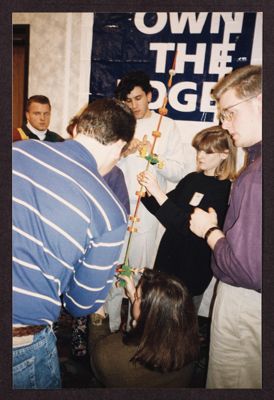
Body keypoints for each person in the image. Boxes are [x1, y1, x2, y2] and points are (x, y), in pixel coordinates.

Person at [12, 98, 136, 389]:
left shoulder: (18, 152)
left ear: (77, 127)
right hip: (19, 344)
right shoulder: (109, 211)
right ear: (120, 146)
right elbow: (81, 304)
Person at [189, 65, 262, 388]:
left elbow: (246, 269)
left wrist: (210, 231)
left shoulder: (257, 174)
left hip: (247, 304)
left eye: (230, 113)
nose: (223, 123)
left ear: (260, 103)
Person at [105, 70, 186, 332]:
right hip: (117, 206)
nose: (133, 105)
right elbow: (101, 166)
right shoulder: (119, 122)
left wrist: (151, 156)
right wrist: (125, 150)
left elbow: (177, 171)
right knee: (114, 268)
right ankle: (110, 326)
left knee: (139, 271)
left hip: (148, 211)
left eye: (138, 98)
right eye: (128, 100)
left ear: (150, 96)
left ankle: (134, 328)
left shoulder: (168, 126)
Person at [138, 126, 236, 311]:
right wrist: (145, 192)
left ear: (224, 154)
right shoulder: (192, 179)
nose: (201, 155)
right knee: (157, 317)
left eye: (209, 151)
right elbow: (165, 209)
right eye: (200, 149)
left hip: (193, 266)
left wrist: (157, 192)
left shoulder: (225, 190)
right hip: (169, 259)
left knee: (182, 324)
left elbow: (187, 226)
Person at [63, 113, 130, 357]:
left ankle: (106, 336)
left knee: (103, 289)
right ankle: (80, 337)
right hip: (74, 242)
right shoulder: (70, 168)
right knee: (75, 289)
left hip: (100, 242)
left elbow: (123, 209)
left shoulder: (115, 174)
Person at [89, 268, 199, 388]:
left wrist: (97, 310)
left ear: (147, 312)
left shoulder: (114, 355)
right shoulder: (189, 345)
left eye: (138, 297)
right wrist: (133, 296)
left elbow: (96, 352)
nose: (135, 295)